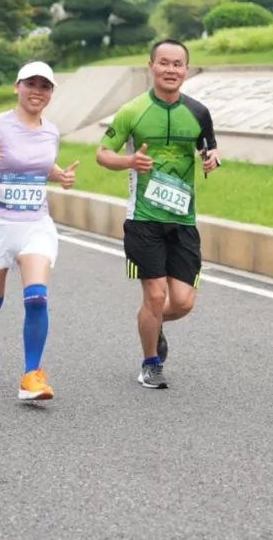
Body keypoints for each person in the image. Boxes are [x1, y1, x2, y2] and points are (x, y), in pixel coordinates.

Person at [96, 39, 221, 390]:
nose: (171, 70)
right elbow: (103, 154)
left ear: (186, 69)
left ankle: (152, 324)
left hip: (183, 221)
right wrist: (129, 161)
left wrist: (212, 160)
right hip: (144, 219)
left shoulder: (198, 112)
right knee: (154, 296)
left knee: (181, 302)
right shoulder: (132, 111)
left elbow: (209, 151)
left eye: (177, 64)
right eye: (163, 63)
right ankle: (151, 363)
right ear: (151, 65)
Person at [0, 61, 78, 402]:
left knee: (37, 296)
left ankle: (31, 376)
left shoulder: (51, 132)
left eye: (45, 86)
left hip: (35, 225)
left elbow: (40, 165)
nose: (37, 91)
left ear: (51, 94)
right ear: (18, 87)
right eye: (31, 84)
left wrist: (60, 176)